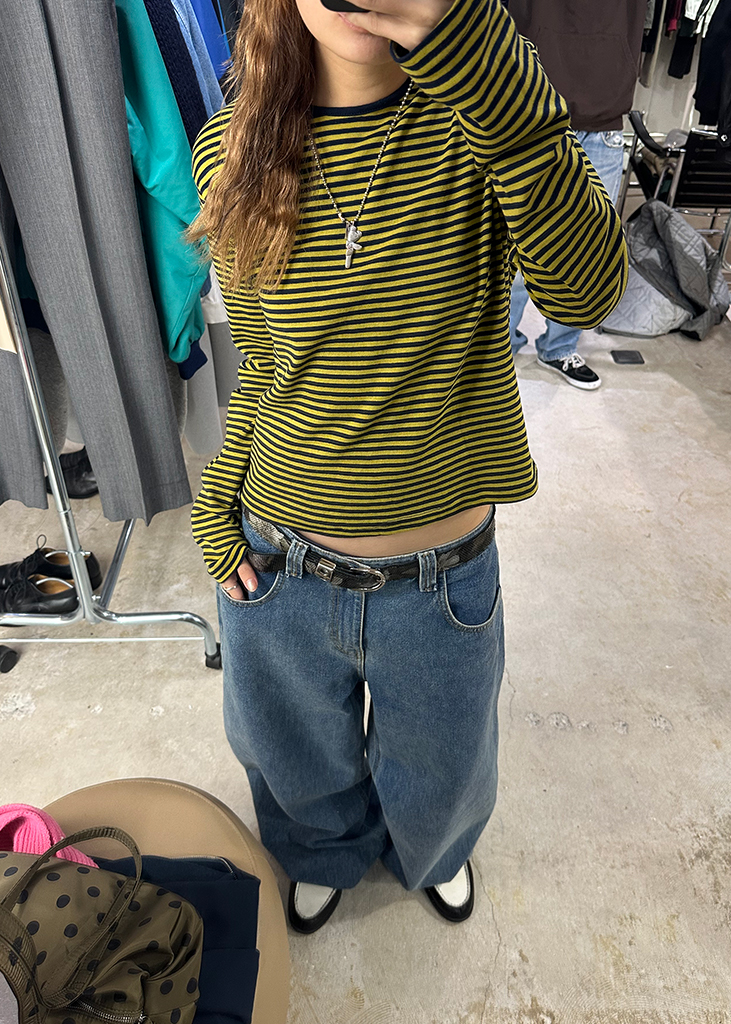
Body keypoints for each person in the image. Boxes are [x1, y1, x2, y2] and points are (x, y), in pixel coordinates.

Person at [188, 0, 626, 933]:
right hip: (282, 564)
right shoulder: (234, 145)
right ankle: (322, 852)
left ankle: (434, 853)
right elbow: (264, 364)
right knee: (292, 754)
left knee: (448, 764)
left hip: (442, 577)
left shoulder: (489, 118)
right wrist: (217, 496)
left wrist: (488, 68)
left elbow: (589, 291)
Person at [505, 0, 649, 390]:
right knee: (516, 248)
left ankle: (559, 347)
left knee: (586, 252)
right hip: (530, 116)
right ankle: (500, 343)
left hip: (604, 120)